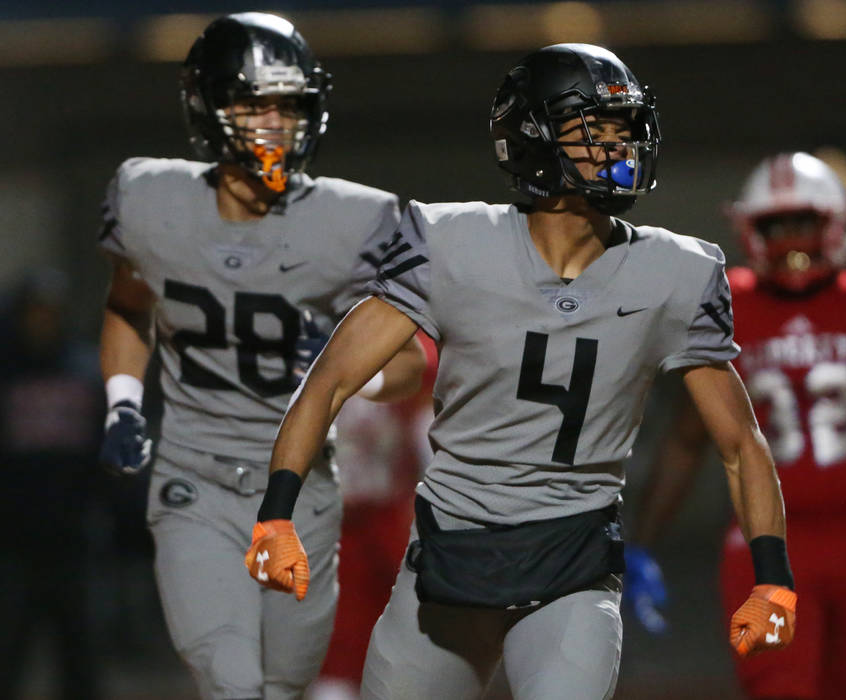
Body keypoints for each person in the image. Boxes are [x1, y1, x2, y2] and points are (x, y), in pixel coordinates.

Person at [245, 44, 797, 700]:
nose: (619, 145)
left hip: (574, 570)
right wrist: (274, 518)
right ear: (534, 134)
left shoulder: (679, 271)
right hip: (449, 565)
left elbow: (739, 443)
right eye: (597, 127)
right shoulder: (448, 241)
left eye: (626, 127)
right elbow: (330, 380)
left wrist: (774, 577)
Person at [96, 13, 424, 700]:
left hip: (304, 488)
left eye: (289, 105)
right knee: (233, 678)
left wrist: (342, 373)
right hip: (196, 477)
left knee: (283, 683)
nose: (275, 123)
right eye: (255, 104)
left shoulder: (355, 221)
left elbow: (408, 369)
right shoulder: (151, 198)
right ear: (207, 104)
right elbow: (130, 307)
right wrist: (123, 401)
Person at [625, 152, 846, 700]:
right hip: (767, 543)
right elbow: (686, 439)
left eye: (804, 221)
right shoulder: (730, 305)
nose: (792, 239)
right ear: (750, 229)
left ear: (837, 221)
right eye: (777, 225)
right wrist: (642, 543)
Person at [310, 332, 438, 700]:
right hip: (348, 515)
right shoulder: (411, 345)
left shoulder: (409, 346)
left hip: (376, 514)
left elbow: (424, 431)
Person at [0, 269, 105, 700]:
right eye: (36, 312)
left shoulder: (83, 370)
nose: (43, 321)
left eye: (51, 313)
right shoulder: (7, 372)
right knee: (10, 646)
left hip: (73, 534)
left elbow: (107, 447)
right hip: (12, 538)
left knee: (78, 649)